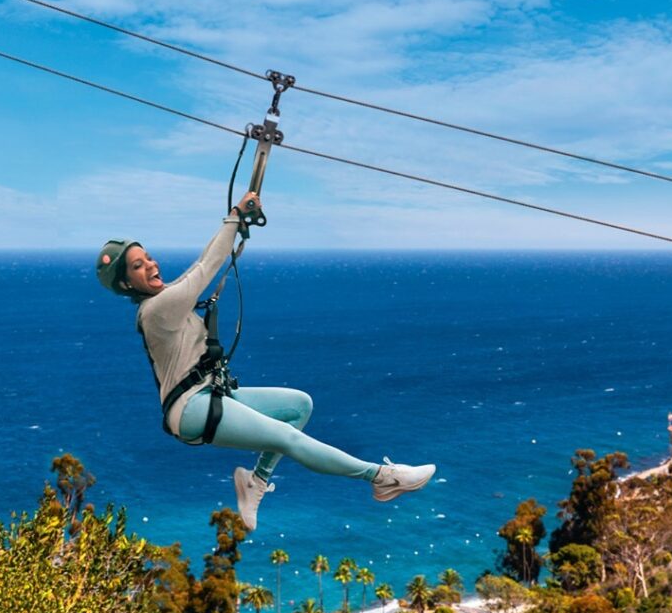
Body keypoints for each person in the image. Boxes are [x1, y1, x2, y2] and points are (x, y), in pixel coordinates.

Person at [96, 191, 435, 530]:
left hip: (209, 394)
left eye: (149, 258)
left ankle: (255, 483)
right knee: (286, 438)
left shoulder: (165, 300)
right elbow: (204, 269)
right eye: (138, 266)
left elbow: (194, 271)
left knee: (298, 406)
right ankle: (380, 477)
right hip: (191, 409)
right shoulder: (156, 310)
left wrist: (235, 221)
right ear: (126, 283)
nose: (151, 265)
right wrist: (234, 216)